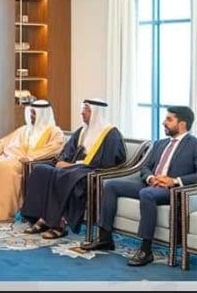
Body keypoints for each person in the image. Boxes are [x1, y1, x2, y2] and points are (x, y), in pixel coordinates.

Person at [82, 105, 197, 266]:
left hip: (172, 190)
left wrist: (174, 180)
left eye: (169, 119)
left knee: (147, 194)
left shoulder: (194, 145)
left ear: (182, 124)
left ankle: (146, 250)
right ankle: (105, 238)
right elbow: (145, 166)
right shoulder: (160, 143)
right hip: (150, 184)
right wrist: (150, 178)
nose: (164, 122)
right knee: (111, 185)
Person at [20, 98, 126, 239]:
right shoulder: (82, 131)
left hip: (92, 172)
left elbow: (107, 162)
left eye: (87, 110)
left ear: (97, 113)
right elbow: (68, 151)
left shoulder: (111, 134)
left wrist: (73, 166)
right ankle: (40, 217)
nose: (82, 113)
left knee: (67, 175)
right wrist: (61, 161)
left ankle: (59, 224)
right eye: (83, 110)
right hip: (75, 168)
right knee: (42, 170)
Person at [0, 100, 65, 221]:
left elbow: (52, 150)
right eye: (31, 112)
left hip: (23, 163)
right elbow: (4, 141)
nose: (31, 116)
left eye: (34, 113)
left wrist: (31, 157)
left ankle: (0, 211)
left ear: (43, 114)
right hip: (9, 158)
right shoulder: (25, 129)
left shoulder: (55, 132)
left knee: (6, 168)